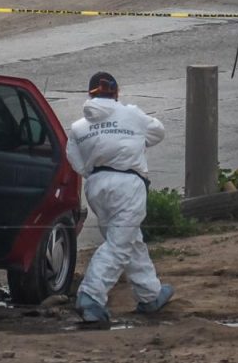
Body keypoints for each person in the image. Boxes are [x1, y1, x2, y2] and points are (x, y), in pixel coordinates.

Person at [66, 71, 173, 323]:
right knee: (119, 244)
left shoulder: (78, 128)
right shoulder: (131, 114)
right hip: (128, 185)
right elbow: (158, 132)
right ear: (116, 93)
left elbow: (75, 161)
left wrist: (98, 169)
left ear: (89, 94)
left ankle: (150, 294)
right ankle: (91, 296)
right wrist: (132, 141)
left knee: (129, 240)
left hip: (97, 186)